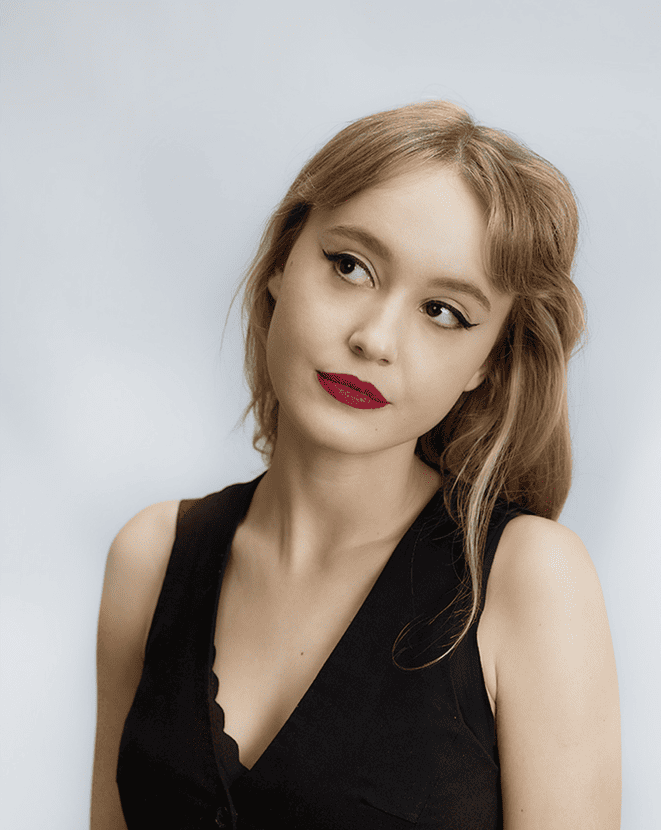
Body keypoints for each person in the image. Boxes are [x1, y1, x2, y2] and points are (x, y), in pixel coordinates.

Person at [90, 100, 621, 829]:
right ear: (282, 264)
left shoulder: (528, 579)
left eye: (443, 311)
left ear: (487, 363)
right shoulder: (151, 557)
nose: (374, 338)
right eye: (351, 267)